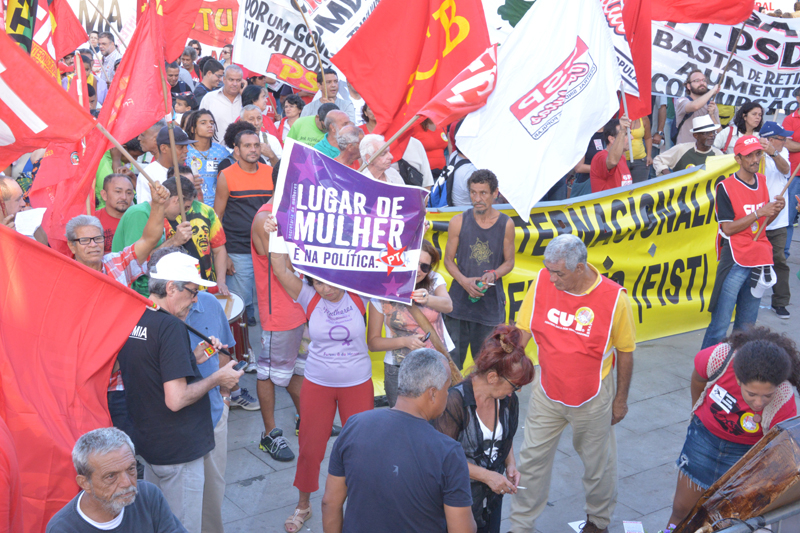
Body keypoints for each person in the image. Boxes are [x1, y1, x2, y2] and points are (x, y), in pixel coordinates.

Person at [510, 234, 636, 533]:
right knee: (530, 461)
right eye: (549, 270)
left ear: (580, 268)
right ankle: (520, 525)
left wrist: (620, 400)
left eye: (559, 273)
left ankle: (598, 521)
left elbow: (626, 352)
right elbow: (523, 330)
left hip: (592, 397)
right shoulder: (542, 281)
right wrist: (509, 368)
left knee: (598, 466)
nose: (552, 279)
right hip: (547, 391)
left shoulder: (615, 299)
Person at [116, 249, 243, 533]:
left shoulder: (135, 315)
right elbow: (176, 399)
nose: (196, 299)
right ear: (171, 287)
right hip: (179, 449)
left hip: (151, 445)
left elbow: (151, 369)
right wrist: (218, 379)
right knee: (181, 527)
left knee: (158, 523)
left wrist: (193, 359)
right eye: (193, 291)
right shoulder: (171, 326)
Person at [262, 212, 373, 533]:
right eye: (318, 281)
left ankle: (362, 505)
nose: (324, 289)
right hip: (317, 383)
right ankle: (303, 505)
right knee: (311, 448)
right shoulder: (309, 297)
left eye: (329, 281)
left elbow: (388, 265)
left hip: (357, 383)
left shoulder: (359, 294)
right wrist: (276, 232)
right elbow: (279, 267)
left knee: (362, 450)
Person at [321, 348, 476, 533]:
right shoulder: (448, 452)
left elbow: (330, 503)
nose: (448, 395)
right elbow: (462, 530)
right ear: (433, 393)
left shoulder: (354, 425)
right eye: (447, 388)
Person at [661, 327, 800, 533]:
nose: (759, 402)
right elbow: (698, 378)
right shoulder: (719, 358)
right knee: (681, 509)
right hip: (702, 441)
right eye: (752, 394)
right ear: (738, 379)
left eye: (767, 396)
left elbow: (781, 451)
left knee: (725, 524)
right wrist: (698, 414)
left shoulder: (783, 398)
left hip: (744, 455)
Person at [432, 325, 536, 533]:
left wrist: (510, 464)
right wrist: (487, 476)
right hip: (458, 500)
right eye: (515, 385)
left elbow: (504, 437)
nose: (516, 392)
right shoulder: (454, 402)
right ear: (492, 378)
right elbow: (441, 460)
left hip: (491, 497)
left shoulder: (507, 399)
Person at [701, 135, 785, 349]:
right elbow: (727, 228)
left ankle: (738, 367)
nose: (755, 159)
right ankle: (705, 366)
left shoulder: (762, 181)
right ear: (737, 159)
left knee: (747, 329)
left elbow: (763, 224)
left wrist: (775, 210)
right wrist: (759, 212)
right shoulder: (725, 187)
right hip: (735, 260)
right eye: (749, 156)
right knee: (719, 326)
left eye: (758, 154)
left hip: (759, 259)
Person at [45, 427, 187, 533]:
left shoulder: (148, 496)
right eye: (111, 476)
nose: (127, 483)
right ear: (85, 483)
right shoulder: (63, 528)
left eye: (131, 469)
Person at [251, 200, 307, 462]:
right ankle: (269, 434)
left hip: (303, 306)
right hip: (280, 312)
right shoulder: (266, 218)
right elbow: (287, 265)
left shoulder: (299, 211)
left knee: (298, 369)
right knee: (268, 373)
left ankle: (305, 420)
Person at [368, 240, 454, 407]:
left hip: (436, 364)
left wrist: (428, 299)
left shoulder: (434, 279)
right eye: (414, 262)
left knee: (439, 418)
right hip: (399, 369)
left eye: (425, 266)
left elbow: (448, 305)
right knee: (403, 419)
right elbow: (373, 343)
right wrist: (405, 341)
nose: (419, 270)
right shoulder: (382, 290)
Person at [444, 170, 515, 370]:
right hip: (458, 306)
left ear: (495, 193)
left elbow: (509, 262)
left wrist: (494, 274)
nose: (477, 199)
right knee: (451, 366)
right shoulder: (458, 221)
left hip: (489, 307)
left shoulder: (506, 224)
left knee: (487, 367)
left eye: (483, 193)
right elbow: (448, 260)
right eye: (473, 193)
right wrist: (464, 281)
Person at [184, 285, 235, 533]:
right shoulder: (152, 317)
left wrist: (224, 398)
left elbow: (225, 351)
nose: (196, 297)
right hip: (173, 426)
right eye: (191, 290)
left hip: (213, 416)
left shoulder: (209, 303)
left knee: (212, 495)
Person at [215, 129, 274, 326]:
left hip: (268, 248)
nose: (253, 149)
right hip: (238, 249)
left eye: (256, 145)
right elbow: (217, 217)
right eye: (247, 145)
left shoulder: (270, 173)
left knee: (271, 300)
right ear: (237, 150)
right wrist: (224, 255)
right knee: (239, 305)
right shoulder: (226, 176)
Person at [760, 121, 793, 318]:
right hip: (757, 217)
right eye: (782, 138)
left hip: (778, 221)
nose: (785, 141)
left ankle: (780, 302)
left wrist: (773, 153)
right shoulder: (755, 153)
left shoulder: (782, 153)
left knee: (779, 260)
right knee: (751, 261)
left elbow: (786, 169)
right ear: (770, 139)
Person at [136, 126, 197, 204]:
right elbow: (144, 208)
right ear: (164, 148)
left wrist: (197, 191)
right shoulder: (148, 175)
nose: (186, 150)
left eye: (186, 146)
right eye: (181, 147)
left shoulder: (186, 172)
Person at [183, 109, 228, 207]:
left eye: (212, 123)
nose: (210, 125)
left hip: (218, 206)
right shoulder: (185, 151)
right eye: (203, 123)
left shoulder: (222, 152)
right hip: (192, 205)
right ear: (193, 129)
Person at [653, 116, 723, 175]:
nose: (712, 135)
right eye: (707, 133)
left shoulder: (718, 155)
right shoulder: (682, 149)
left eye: (713, 132)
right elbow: (658, 160)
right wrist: (669, 176)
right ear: (696, 136)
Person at [675, 69, 720, 145]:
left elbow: (720, 133)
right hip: (685, 150)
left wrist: (712, 115)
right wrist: (712, 91)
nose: (702, 83)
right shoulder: (682, 101)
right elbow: (695, 106)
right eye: (697, 81)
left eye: (704, 80)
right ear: (689, 86)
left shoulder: (711, 105)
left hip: (705, 150)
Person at [201, 66, 244, 143]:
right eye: (231, 80)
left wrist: (246, 96)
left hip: (242, 148)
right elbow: (200, 123)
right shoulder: (209, 98)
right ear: (224, 79)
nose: (235, 84)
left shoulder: (246, 100)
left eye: (238, 80)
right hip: (216, 148)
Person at [590, 118, 633, 193]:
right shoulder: (600, 157)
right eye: (626, 134)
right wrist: (622, 131)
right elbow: (612, 161)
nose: (631, 137)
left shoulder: (622, 157)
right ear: (612, 139)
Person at [96, 174, 135, 254]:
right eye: (118, 192)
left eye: (128, 193)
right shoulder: (92, 221)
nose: (124, 197)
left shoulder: (141, 219)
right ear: (104, 195)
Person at [622, 115, 653, 183]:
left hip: (640, 160)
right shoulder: (620, 118)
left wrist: (649, 155)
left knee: (640, 188)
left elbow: (648, 138)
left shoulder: (644, 118)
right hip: (622, 160)